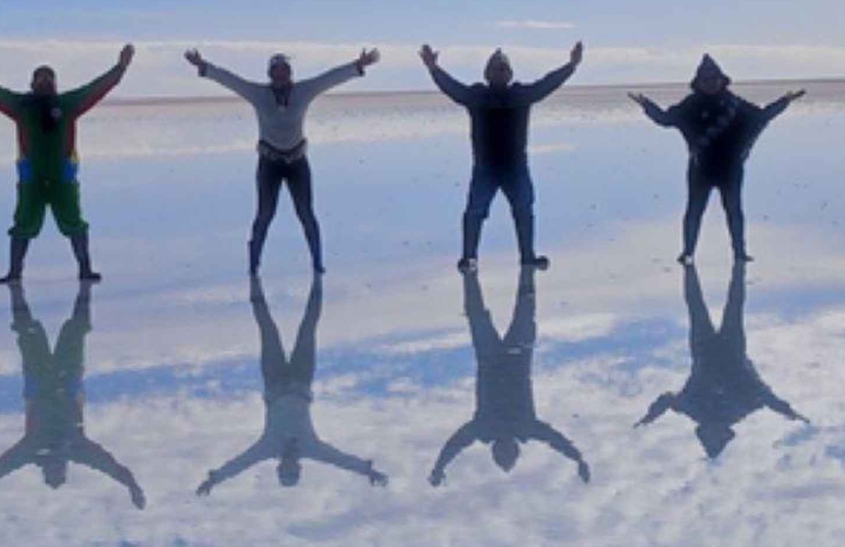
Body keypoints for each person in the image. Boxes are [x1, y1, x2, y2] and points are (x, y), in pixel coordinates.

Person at [0, 46, 133, 283]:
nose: (45, 82)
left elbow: (96, 88)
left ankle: (85, 269)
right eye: (40, 78)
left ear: (55, 84)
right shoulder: (20, 105)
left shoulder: (68, 104)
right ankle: (15, 273)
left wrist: (120, 68)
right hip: (31, 181)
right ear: (32, 83)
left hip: (62, 180)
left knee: (74, 224)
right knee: (23, 225)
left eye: (49, 78)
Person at [184, 48, 379, 274]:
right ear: (270, 74)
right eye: (276, 71)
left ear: (290, 73)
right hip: (269, 163)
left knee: (306, 214)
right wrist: (203, 66)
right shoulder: (258, 94)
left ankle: (317, 263)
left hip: (297, 161)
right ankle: (253, 264)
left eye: (284, 70)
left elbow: (329, 79)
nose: (280, 75)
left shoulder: (303, 91)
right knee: (264, 215)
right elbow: (232, 81)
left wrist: (357, 66)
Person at [0, 281, 144, 509]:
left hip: (42, 381)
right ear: (64, 466)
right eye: (60, 469)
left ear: (46, 469)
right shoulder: (76, 449)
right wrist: (132, 487)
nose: (56, 465)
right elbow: (112, 468)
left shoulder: (33, 449)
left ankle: (17, 288)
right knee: (72, 331)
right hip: (64, 381)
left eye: (52, 470)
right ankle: (84, 286)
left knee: (31, 332)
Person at [197, 275, 387, 493]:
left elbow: (241, 463)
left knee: (267, 329)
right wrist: (368, 471)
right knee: (308, 327)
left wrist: (214, 480)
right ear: (298, 468)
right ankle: (317, 277)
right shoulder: (310, 447)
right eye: (293, 470)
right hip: (301, 380)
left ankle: (254, 278)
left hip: (275, 381)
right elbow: (339, 459)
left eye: (285, 471)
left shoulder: (268, 447)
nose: (289, 466)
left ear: (279, 468)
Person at [420, 41, 582, 272]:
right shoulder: (477, 96)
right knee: (475, 211)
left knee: (524, 210)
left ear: (510, 74)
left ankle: (528, 257)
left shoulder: (520, 95)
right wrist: (434, 69)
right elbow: (453, 88)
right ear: (487, 74)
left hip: (516, 167)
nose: (501, 72)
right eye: (497, 68)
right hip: (485, 168)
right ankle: (469, 257)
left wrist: (571, 66)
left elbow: (547, 84)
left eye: (504, 68)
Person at [630, 55, 803, 264]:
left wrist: (784, 101)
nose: (710, 83)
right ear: (698, 82)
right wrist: (646, 104)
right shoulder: (691, 104)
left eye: (714, 79)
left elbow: (761, 116)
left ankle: (740, 252)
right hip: (700, 168)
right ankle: (688, 252)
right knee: (694, 212)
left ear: (722, 80)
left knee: (734, 211)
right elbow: (666, 119)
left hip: (730, 169)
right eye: (706, 80)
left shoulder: (734, 103)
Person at [429, 266, 590, 486]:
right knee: (490, 314)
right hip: (503, 357)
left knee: (515, 311)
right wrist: (577, 459)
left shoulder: (508, 428)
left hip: (505, 357)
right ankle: (478, 274)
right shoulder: (501, 428)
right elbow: (555, 440)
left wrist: (578, 459)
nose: (504, 449)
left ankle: (512, 271)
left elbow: (455, 445)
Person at [635, 262, 807, 459]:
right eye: (713, 435)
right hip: (732, 351)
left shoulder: (695, 411)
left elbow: (668, 399)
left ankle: (690, 266)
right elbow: (765, 397)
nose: (709, 430)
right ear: (723, 432)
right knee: (733, 305)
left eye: (707, 434)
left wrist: (651, 415)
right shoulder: (737, 410)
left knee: (698, 306)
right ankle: (739, 263)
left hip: (705, 350)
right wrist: (788, 412)